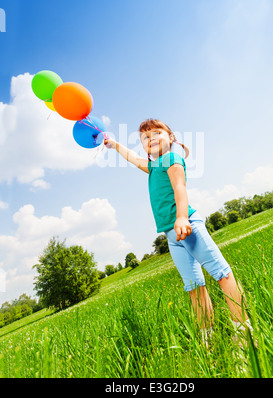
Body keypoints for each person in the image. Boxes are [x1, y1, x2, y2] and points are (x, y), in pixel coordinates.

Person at [104, 118, 252, 347]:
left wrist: (182, 217)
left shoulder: (172, 158)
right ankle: (207, 338)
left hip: (187, 225)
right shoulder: (154, 167)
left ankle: (243, 332)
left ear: (170, 138)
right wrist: (114, 145)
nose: (150, 138)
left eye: (156, 133)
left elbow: (180, 188)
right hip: (172, 236)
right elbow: (133, 160)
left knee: (222, 273)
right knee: (193, 287)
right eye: (145, 137)